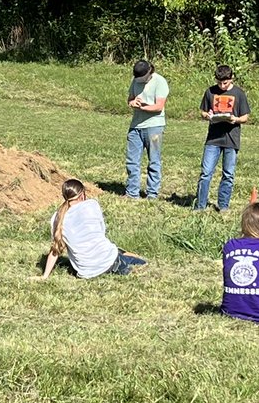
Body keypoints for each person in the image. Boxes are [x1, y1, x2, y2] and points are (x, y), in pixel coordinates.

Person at [40, 179, 147, 279]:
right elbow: (101, 232)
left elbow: (55, 250)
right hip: (110, 262)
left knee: (119, 252)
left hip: (85, 272)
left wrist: (44, 276)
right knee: (143, 264)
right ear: (82, 195)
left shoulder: (56, 218)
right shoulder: (91, 205)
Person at [195, 64, 251, 212]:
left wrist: (236, 119)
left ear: (231, 79)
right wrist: (207, 115)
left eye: (225, 83)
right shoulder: (210, 92)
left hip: (231, 139)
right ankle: (200, 205)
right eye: (219, 82)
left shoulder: (239, 93)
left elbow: (245, 117)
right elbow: (203, 111)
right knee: (206, 173)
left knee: (228, 174)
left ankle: (223, 206)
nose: (222, 85)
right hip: (213, 139)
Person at [124, 59, 169, 200]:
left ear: (149, 73)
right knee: (132, 161)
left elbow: (158, 106)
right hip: (136, 126)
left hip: (154, 126)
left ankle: (152, 193)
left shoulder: (160, 82)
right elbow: (130, 99)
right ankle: (132, 193)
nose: (139, 81)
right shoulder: (135, 80)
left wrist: (143, 106)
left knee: (154, 160)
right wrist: (132, 103)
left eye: (141, 78)